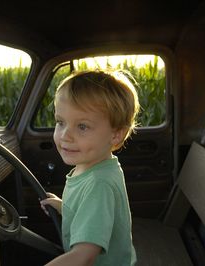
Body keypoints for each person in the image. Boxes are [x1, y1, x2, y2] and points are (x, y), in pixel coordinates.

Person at [40, 70, 139, 266]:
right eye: (60, 122)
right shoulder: (93, 167)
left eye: (82, 127)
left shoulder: (99, 184)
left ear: (116, 135)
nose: (65, 135)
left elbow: (84, 256)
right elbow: (92, 212)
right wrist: (63, 207)